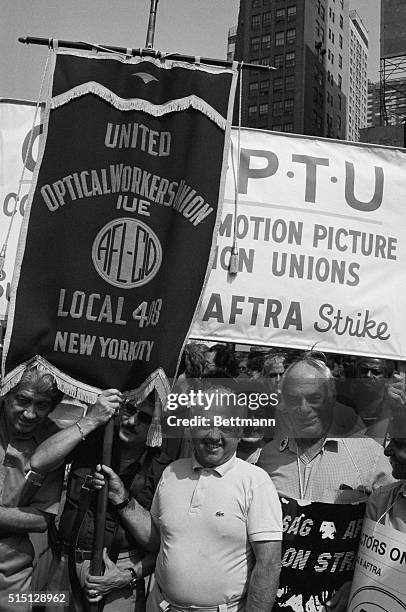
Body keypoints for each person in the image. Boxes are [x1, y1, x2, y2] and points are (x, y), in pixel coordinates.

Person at [93, 385, 283, 612]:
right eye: (205, 424)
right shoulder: (172, 472)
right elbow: (156, 540)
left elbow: (269, 565)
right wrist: (120, 496)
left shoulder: (255, 482)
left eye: (225, 426)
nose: (214, 435)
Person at [257, 356, 393, 612]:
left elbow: (393, 533)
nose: (304, 408)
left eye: (314, 399)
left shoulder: (370, 457)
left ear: (332, 399)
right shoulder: (265, 459)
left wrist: (361, 581)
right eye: (295, 400)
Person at [30, 392, 171, 611]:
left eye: (144, 418)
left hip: (119, 574)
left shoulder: (162, 469)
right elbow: (38, 462)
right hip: (64, 565)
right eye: (130, 410)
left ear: (157, 426)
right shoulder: (92, 441)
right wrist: (91, 420)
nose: (132, 421)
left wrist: (120, 497)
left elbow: (160, 544)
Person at [0, 366, 64, 610]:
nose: (29, 413)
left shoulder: (54, 441)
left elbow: (40, 520)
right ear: (6, 393)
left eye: (42, 405)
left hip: (12, 572)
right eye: (23, 400)